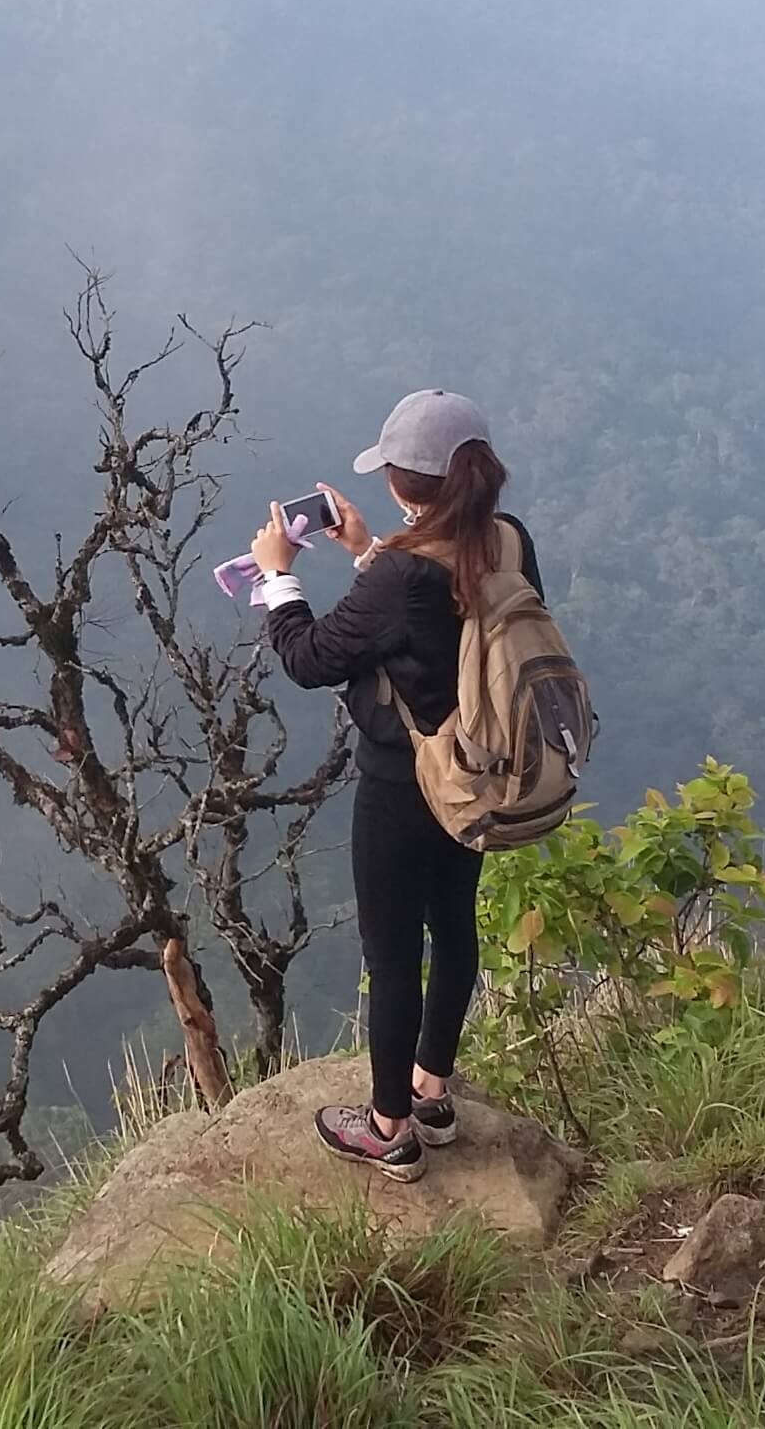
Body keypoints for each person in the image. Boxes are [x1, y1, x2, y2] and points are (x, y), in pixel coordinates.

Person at [248, 389, 541, 1181]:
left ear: (405, 484)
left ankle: (388, 1129)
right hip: (478, 773)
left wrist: (279, 578)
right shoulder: (505, 539)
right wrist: (368, 549)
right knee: (453, 928)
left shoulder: (403, 576)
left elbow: (311, 659)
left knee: (391, 951)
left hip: (403, 783)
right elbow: (438, 616)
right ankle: (433, 1094)